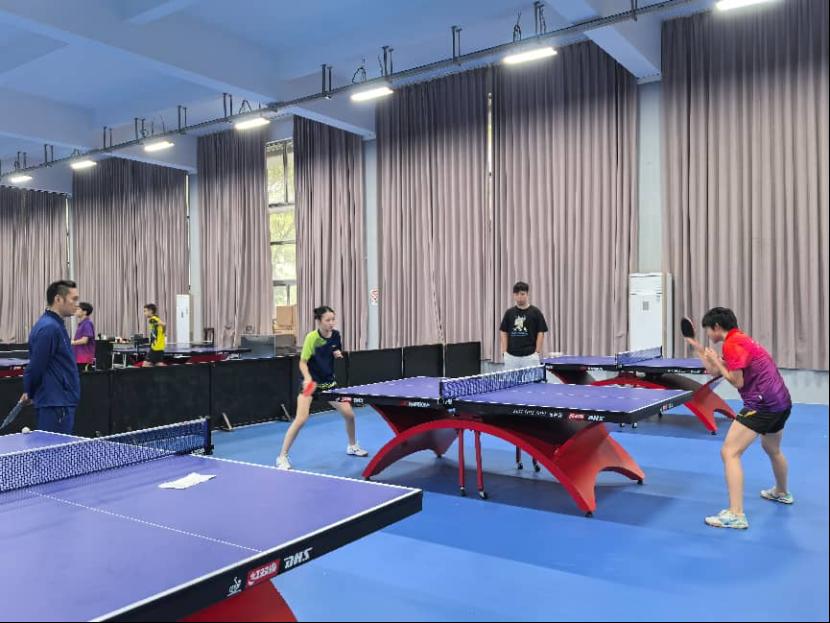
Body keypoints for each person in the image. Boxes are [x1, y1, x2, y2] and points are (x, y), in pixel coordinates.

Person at [686, 307, 793, 530]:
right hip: (781, 402)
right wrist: (697, 346)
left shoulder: (731, 345)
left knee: (729, 452)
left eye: (708, 329)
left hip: (762, 405)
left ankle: (736, 514)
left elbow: (737, 382)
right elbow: (714, 371)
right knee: (772, 448)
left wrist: (717, 361)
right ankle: (782, 492)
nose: (708, 333)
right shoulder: (740, 339)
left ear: (716, 327)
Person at [276, 306, 368, 470]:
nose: (331, 323)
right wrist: (308, 378)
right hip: (311, 385)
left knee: (349, 414)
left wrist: (336, 353)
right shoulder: (312, 338)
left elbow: (335, 348)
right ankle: (282, 456)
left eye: (333, 319)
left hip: (329, 384)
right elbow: (303, 362)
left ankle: (352, 446)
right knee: (301, 419)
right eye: (327, 320)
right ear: (319, 321)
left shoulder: (336, 335)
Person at [20, 280, 81, 434]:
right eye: (73, 299)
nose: (77, 304)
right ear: (58, 299)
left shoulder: (55, 325)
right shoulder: (49, 328)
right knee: (54, 449)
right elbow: (36, 366)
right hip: (56, 404)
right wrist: (29, 391)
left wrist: (30, 391)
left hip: (59, 402)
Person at [499, 281, 549, 369]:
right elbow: (503, 331)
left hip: (530, 357)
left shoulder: (536, 312)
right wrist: (504, 351)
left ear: (527, 294)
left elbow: (541, 332)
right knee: (511, 378)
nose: (520, 297)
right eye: (517, 294)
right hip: (511, 357)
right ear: (514, 295)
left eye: (522, 294)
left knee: (533, 378)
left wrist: (537, 351)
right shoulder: (509, 313)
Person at [71, 302, 96, 372]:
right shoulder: (82, 324)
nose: (76, 310)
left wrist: (72, 342)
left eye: (78, 309)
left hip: (84, 359)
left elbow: (84, 340)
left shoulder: (87, 323)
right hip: (79, 358)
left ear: (85, 312)